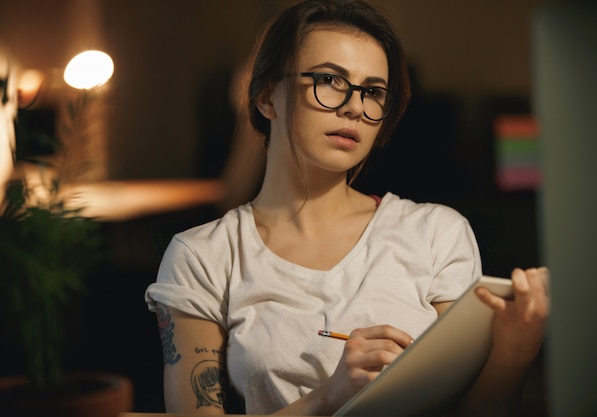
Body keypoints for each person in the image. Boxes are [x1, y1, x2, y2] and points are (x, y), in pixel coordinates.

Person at [144, 0, 549, 415]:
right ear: (268, 99)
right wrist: (329, 396)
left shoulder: (436, 233)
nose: (355, 106)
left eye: (372, 91)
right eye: (329, 80)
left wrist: (513, 353)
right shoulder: (202, 255)